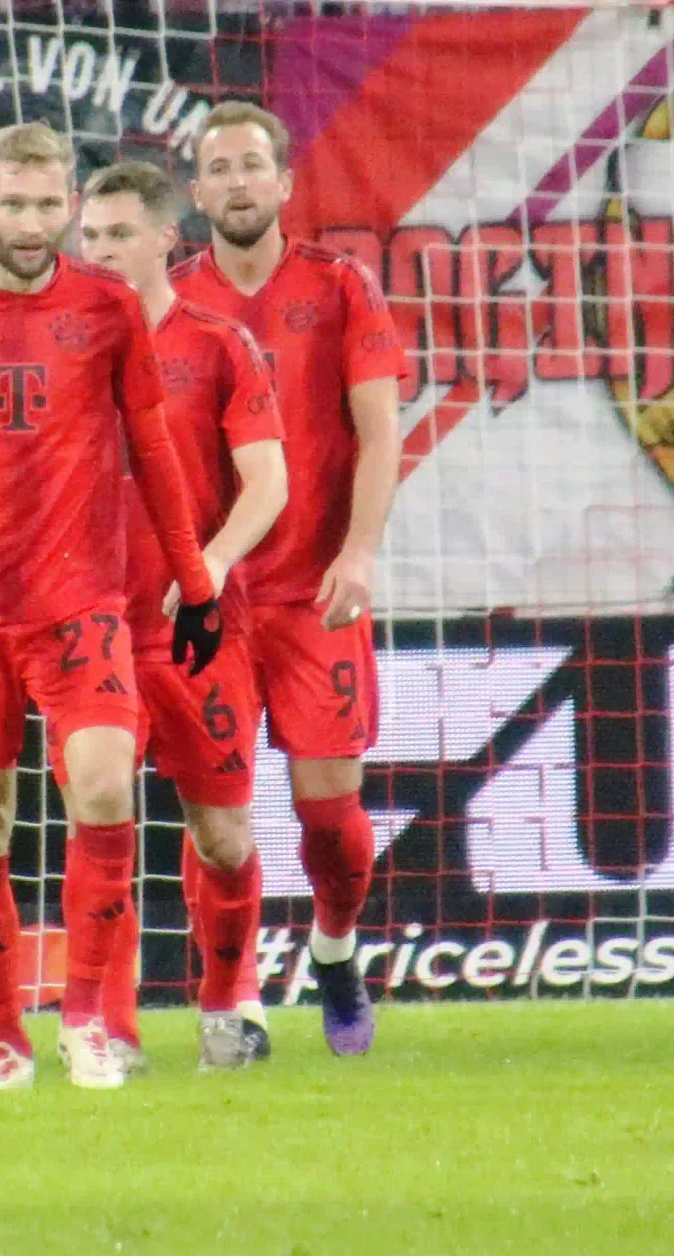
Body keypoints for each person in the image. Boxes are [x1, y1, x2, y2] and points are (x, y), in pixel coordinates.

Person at [0, 123, 222, 1092]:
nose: (29, 222)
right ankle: (2, 1043)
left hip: (80, 604)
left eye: (44, 203)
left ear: (69, 206)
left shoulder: (105, 306)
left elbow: (151, 448)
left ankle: (82, 1024)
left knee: (104, 786)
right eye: (10, 204)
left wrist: (193, 583)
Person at [174, 101, 404, 1056]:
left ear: (283, 184)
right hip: (210, 601)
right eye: (217, 168)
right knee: (218, 824)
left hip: (313, 594)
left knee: (333, 819)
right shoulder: (169, 305)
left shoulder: (341, 287)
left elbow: (382, 429)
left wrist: (357, 552)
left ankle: (336, 948)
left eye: (250, 166)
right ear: (196, 193)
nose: (235, 182)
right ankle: (233, 1000)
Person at [77, 160, 288, 1072]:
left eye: (117, 234)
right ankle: (112, 1029)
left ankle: (229, 997)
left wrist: (209, 564)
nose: (98, 251)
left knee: (223, 835)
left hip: (198, 628)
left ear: (169, 237)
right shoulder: (60, 344)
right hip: (89, 627)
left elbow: (269, 481)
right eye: (89, 236)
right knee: (103, 816)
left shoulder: (218, 344)